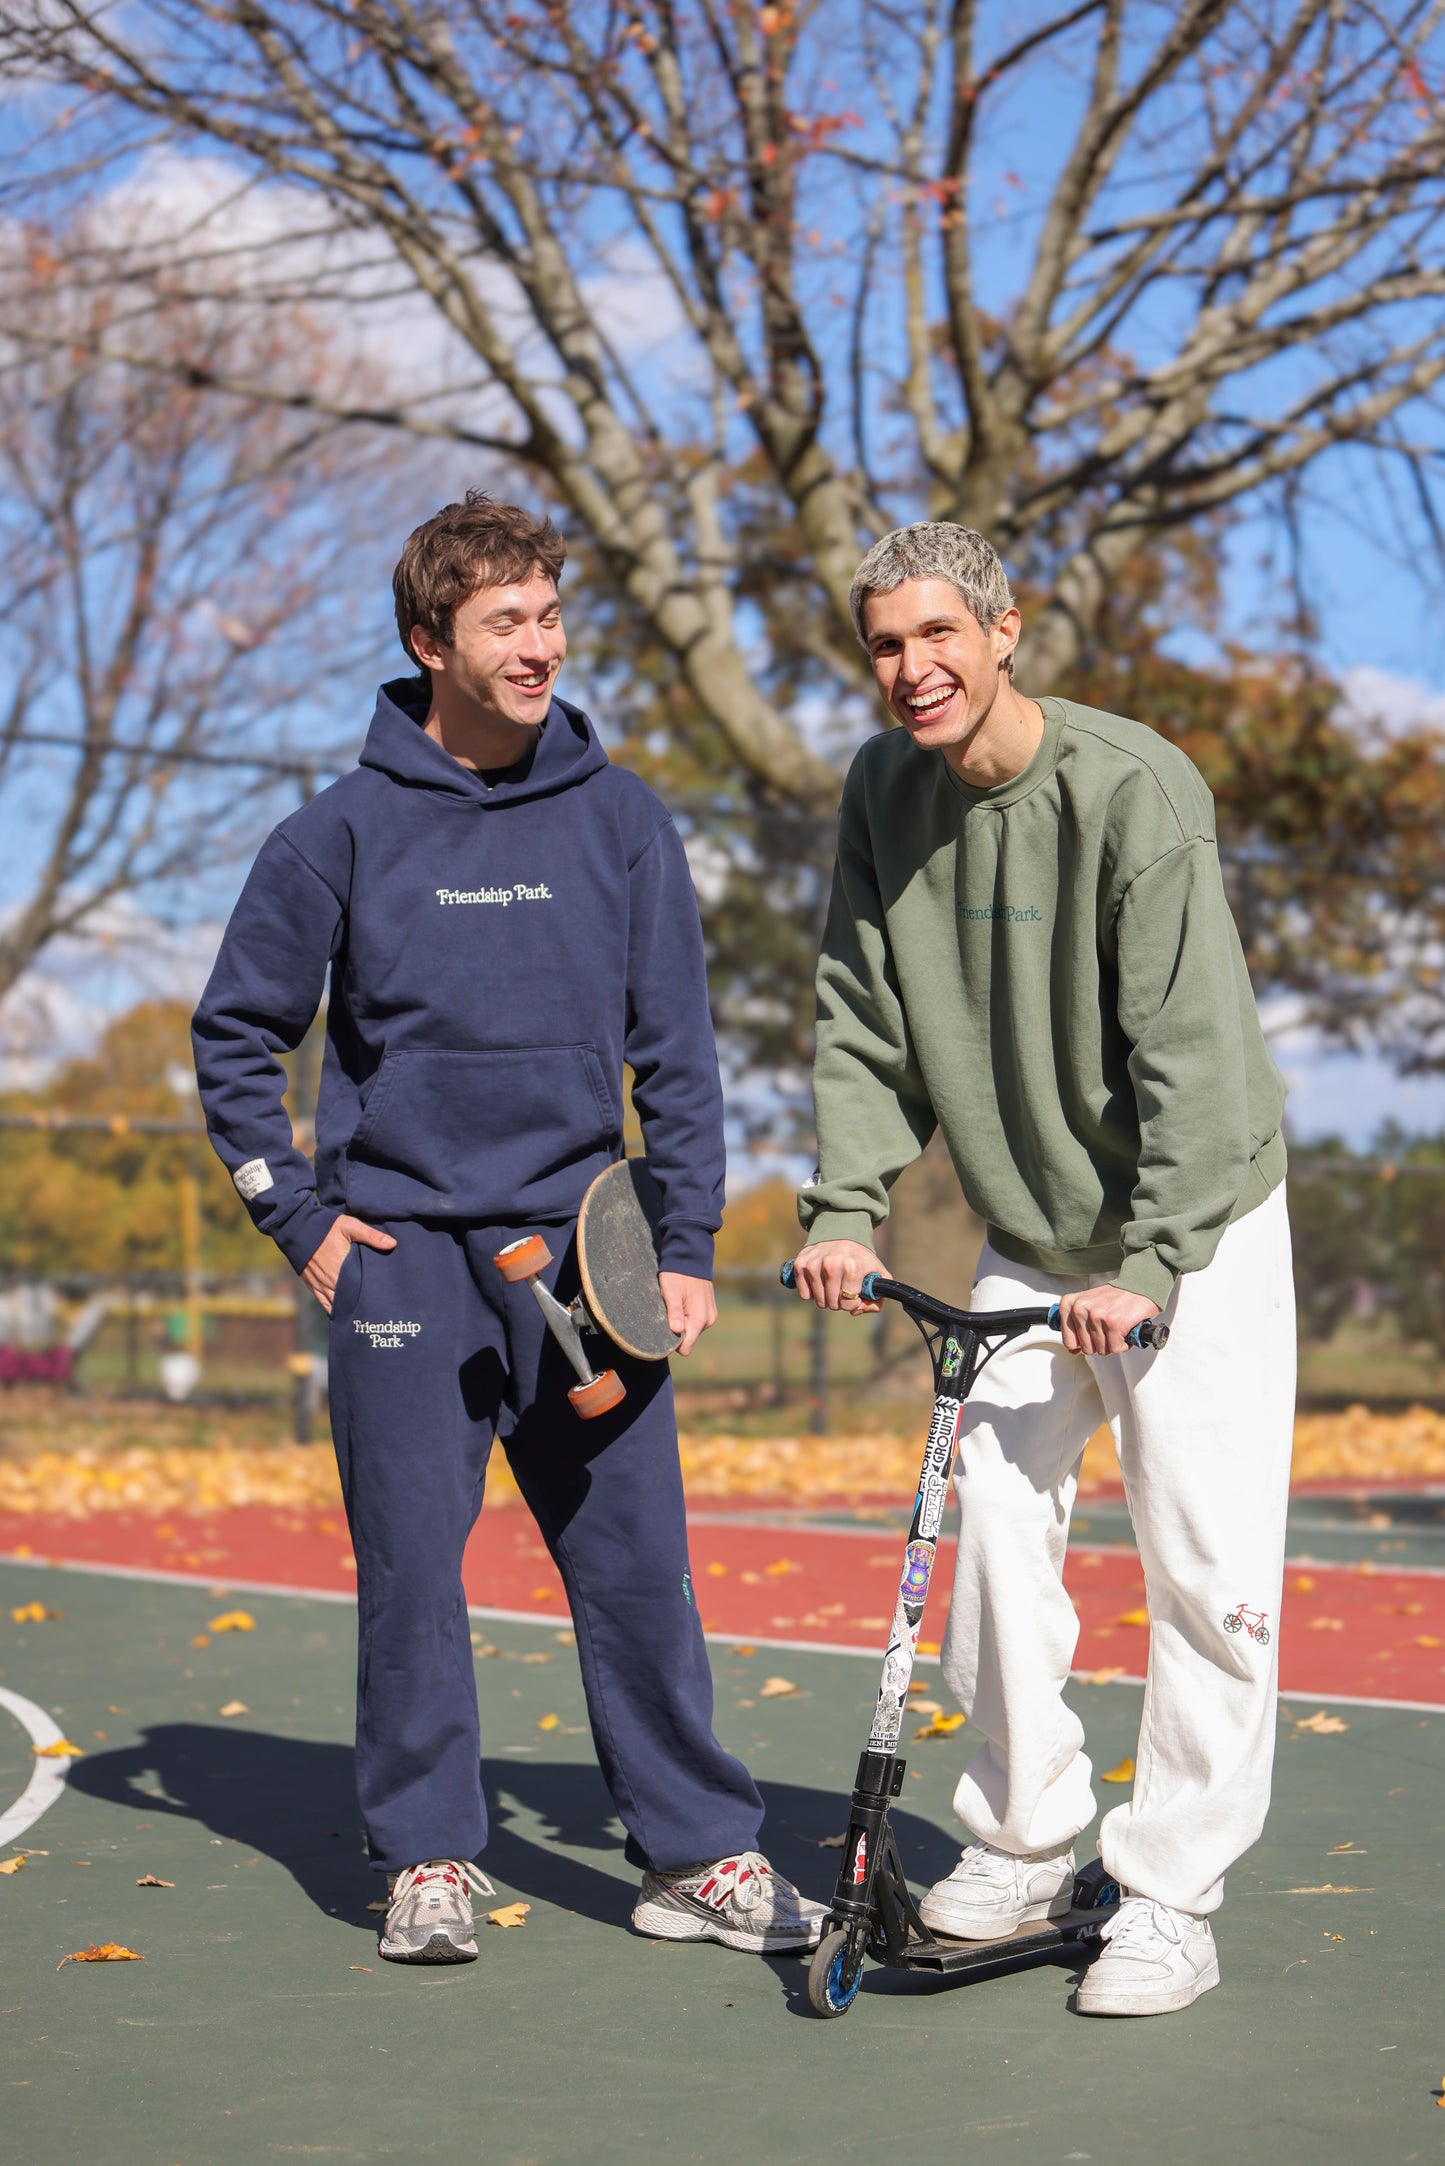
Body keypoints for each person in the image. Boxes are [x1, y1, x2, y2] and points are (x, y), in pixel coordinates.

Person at [193, 491, 825, 1965]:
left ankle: (697, 1851)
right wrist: (304, 1224)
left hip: (586, 1254)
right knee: (412, 1568)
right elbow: (235, 1042)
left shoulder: (621, 820)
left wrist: (681, 1247)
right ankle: (425, 1854)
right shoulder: (332, 834)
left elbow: (678, 1051)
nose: (539, 643)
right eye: (506, 621)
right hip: (403, 1260)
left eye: (549, 613)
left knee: (635, 1565)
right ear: (430, 643)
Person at [789, 522, 1294, 2018]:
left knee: (1203, 1568)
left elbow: (1192, 1054)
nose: (910, 669)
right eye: (883, 645)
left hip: (1192, 1224)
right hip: (1035, 1230)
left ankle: (1169, 1892)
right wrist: (844, 1206)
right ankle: (1018, 1831)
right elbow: (858, 1014)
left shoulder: (1128, 789)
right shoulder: (885, 790)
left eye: (937, 635)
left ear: (1004, 630)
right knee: (991, 1521)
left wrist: (1148, 1263)